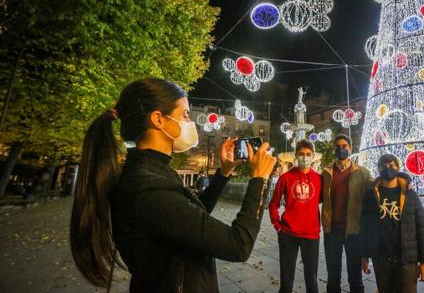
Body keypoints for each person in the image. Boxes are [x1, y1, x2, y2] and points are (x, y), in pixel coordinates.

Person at [69, 78, 276, 292]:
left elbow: (192, 217)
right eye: (185, 114)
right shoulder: (148, 187)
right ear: (158, 119)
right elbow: (238, 245)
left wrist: (223, 173)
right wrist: (259, 178)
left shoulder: (151, 172)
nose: (190, 122)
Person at [360, 154, 424, 293]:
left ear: (398, 168)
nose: (388, 169)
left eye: (392, 165)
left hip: (406, 257)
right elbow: (365, 227)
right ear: (379, 169)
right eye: (384, 166)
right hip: (381, 258)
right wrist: (364, 256)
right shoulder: (371, 195)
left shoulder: (410, 194)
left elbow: (422, 227)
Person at [269, 139, 322, 293]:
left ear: (313, 156)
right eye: (301, 154)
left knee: (311, 279)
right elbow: (273, 204)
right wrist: (277, 226)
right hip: (288, 234)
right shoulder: (285, 178)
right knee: (286, 280)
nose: (304, 157)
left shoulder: (319, 179)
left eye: (308, 154)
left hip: (311, 236)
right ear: (296, 156)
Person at [321, 134, 371, 293]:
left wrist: (402, 183)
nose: (341, 149)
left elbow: (377, 188)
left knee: (355, 277)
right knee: (333, 276)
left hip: (353, 231)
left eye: (344, 146)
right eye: (338, 146)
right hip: (332, 230)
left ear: (350, 148)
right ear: (333, 149)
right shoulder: (326, 173)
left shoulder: (362, 173)